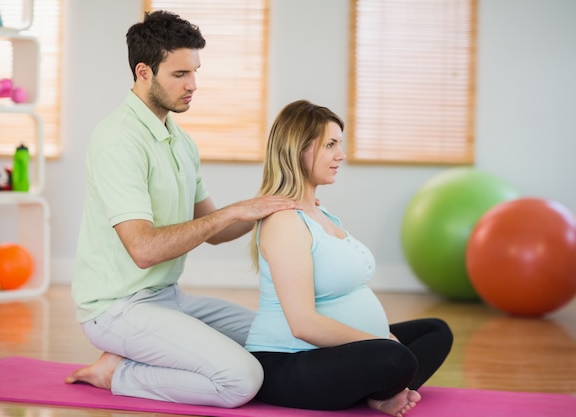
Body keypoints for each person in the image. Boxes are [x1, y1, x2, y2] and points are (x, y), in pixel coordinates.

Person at [64, 11, 298, 408]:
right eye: (179, 74)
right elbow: (144, 250)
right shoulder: (118, 141)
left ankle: (138, 357)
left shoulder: (180, 141)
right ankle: (117, 372)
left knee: (281, 335)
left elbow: (215, 231)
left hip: (168, 297)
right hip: (116, 309)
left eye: (195, 72)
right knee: (242, 380)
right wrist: (231, 212)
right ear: (144, 72)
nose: (193, 85)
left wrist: (271, 202)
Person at [245, 100, 453, 417]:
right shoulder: (284, 223)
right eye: (330, 145)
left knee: (436, 331)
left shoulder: (320, 210)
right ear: (298, 149)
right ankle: (384, 386)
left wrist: (382, 340)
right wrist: (381, 341)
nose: (340, 155)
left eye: (339, 144)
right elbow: (303, 325)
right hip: (288, 361)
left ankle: (381, 390)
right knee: (397, 359)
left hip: (336, 354)